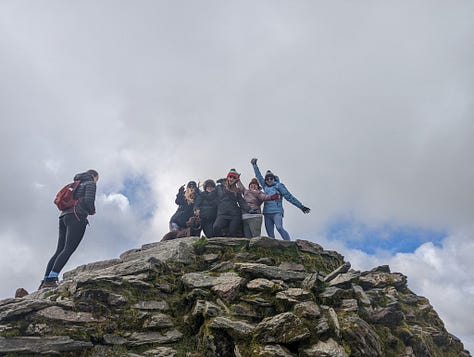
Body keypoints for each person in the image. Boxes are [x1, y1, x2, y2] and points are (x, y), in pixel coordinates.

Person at [40, 169, 99, 289]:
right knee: (68, 249)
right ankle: (51, 279)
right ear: (94, 176)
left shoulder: (76, 183)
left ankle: (46, 280)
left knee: (59, 249)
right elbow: (89, 201)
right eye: (97, 179)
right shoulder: (90, 183)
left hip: (63, 216)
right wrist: (91, 210)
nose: (97, 182)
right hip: (77, 216)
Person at [251, 158, 310, 241]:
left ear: (274, 179)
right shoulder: (265, 187)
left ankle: (289, 243)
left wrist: (301, 206)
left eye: (271, 178)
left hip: (277, 212)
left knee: (279, 227)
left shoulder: (279, 186)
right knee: (270, 234)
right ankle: (273, 250)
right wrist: (254, 165)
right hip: (267, 213)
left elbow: (289, 197)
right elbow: (258, 176)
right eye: (267, 179)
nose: (269, 180)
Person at [213, 169, 250, 237]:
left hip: (234, 215)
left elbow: (241, 202)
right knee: (216, 227)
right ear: (227, 177)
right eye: (230, 177)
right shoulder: (219, 187)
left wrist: (249, 209)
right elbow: (210, 196)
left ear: (236, 180)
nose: (232, 179)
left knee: (232, 233)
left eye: (234, 178)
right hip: (222, 214)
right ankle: (220, 243)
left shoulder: (237, 190)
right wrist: (200, 195)